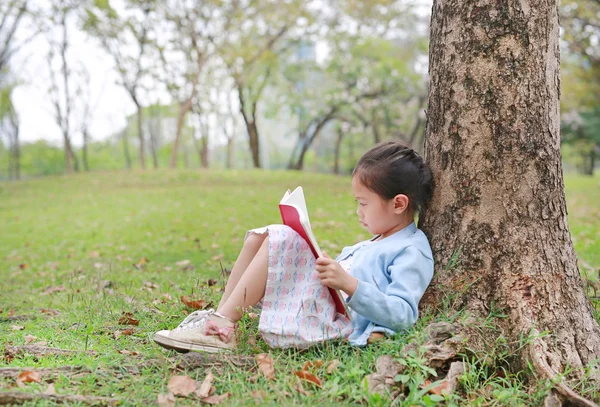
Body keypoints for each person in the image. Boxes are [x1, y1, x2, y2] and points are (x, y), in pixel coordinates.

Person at [153, 141, 434, 352]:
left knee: (283, 238)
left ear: (398, 204)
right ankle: (220, 316)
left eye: (363, 203)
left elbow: (403, 313)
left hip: (335, 320)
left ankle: (219, 329)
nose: (358, 212)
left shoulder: (411, 249)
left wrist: (348, 283)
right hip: (324, 302)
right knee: (260, 239)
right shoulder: (380, 239)